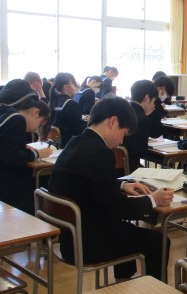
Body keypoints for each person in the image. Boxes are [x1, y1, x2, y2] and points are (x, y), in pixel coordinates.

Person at [47, 97, 174, 281]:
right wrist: (153, 200)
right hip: (89, 244)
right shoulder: (100, 153)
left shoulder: (76, 142)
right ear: (113, 121)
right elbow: (117, 208)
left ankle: (122, 284)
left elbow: (90, 183)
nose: (121, 141)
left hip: (69, 239)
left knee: (125, 230)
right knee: (159, 242)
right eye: (123, 133)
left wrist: (122, 184)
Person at [0, 95, 53, 214]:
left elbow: (2, 145)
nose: (35, 129)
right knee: (46, 178)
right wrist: (37, 153)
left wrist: (21, 147)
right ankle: (41, 219)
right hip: (4, 184)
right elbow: (12, 158)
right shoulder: (17, 119)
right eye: (39, 124)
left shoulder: (0, 112)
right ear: (35, 112)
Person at [122, 80, 158, 170]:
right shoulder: (144, 120)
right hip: (130, 168)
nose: (153, 105)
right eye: (154, 101)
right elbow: (139, 151)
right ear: (147, 98)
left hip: (113, 165)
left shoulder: (122, 110)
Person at [49, 73, 87, 147]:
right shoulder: (71, 104)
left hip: (54, 144)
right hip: (69, 144)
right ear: (66, 87)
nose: (76, 85)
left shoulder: (52, 102)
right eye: (74, 83)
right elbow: (79, 130)